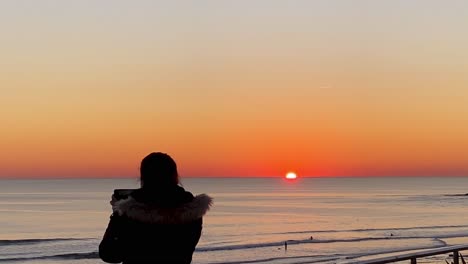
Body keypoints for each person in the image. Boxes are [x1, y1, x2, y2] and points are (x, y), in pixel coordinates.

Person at [99, 152, 213, 264]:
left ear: (144, 177)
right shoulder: (192, 211)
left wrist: (117, 214)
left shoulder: (130, 212)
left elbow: (109, 254)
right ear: (174, 175)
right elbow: (187, 248)